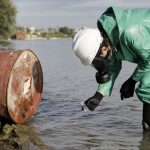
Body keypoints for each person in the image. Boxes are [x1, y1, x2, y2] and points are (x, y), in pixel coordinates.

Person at [72, 6, 150, 131]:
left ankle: (147, 131)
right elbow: (113, 66)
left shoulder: (130, 33)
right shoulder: (108, 38)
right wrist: (98, 96)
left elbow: (149, 60)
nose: (100, 63)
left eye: (97, 60)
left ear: (102, 48)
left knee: (146, 86)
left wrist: (132, 81)